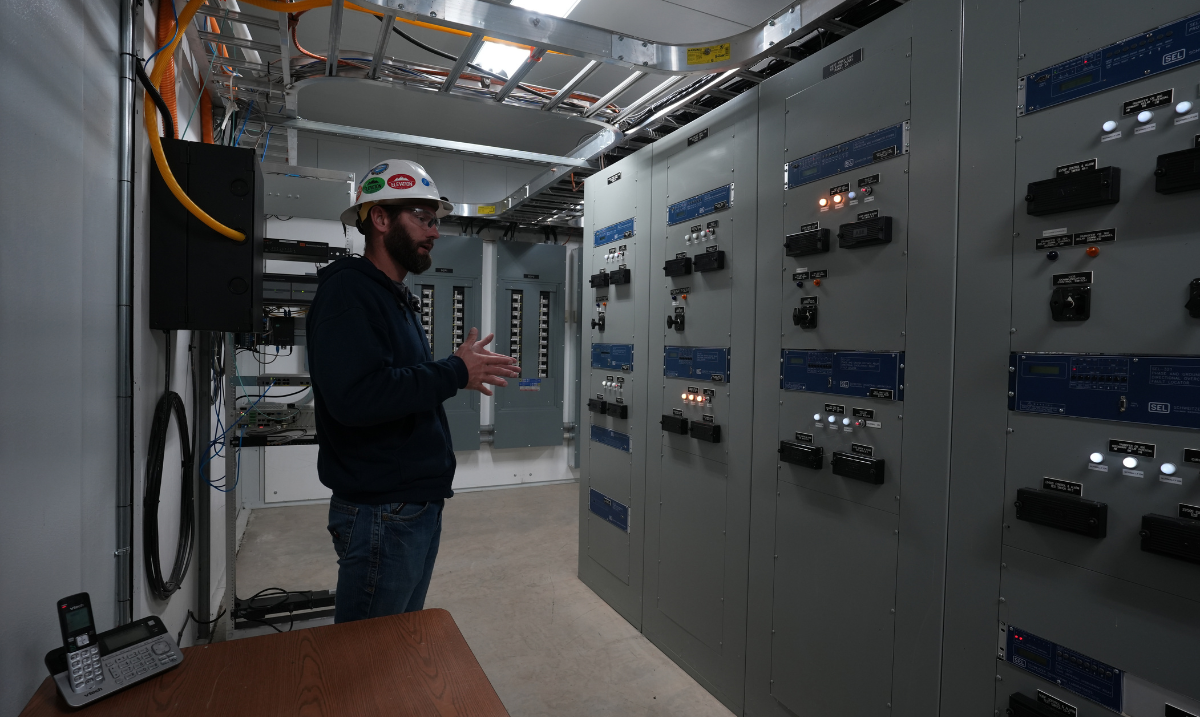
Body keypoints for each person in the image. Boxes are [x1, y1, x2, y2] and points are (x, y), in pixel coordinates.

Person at [306, 159, 519, 622]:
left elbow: (394, 385)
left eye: (435, 220)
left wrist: (453, 370)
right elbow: (357, 397)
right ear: (380, 219)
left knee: (396, 647)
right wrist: (454, 371)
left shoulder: (392, 296)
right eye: (422, 218)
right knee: (369, 658)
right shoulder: (349, 294)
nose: (434, 232)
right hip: (382, 510)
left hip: (407, 504)